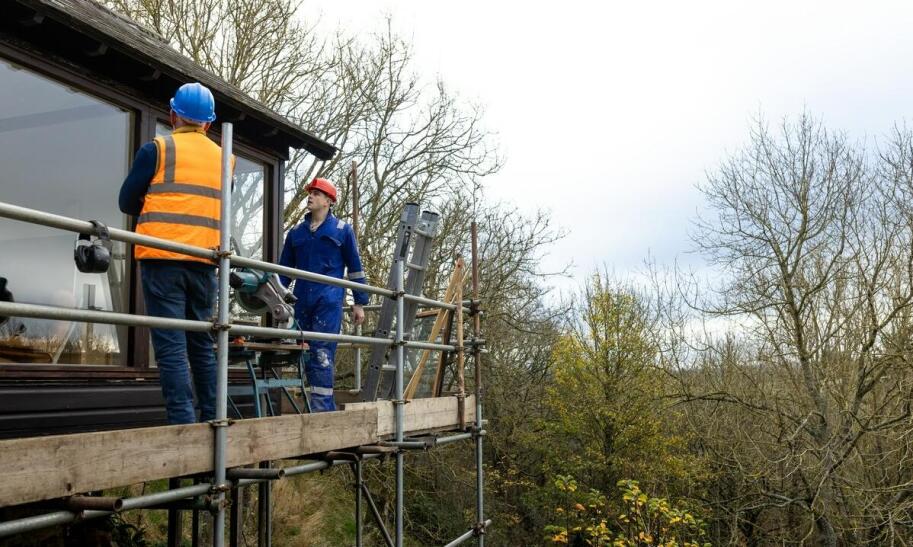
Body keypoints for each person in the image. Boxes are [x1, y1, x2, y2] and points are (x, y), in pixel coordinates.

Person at [118, 82, 233, 424]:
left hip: (162, 259)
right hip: (205, 262)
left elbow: (126, 202)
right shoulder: (225, 159)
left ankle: (183, 425)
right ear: (208, 123)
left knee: (171, 348)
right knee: (202, 346)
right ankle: (214, 421)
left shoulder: (157, 149)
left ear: (173, 115)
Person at [279, 178, 368, 412]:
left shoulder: (342, 230)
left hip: (328, 300)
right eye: (310, 193)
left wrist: (359, 302)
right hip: (301, 300)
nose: (310, 196)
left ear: (329, 201)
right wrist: (276, 296)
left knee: (322, 352)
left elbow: (355, 267)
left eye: (317, 193)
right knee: (304, 352)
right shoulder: (296, 233)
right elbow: (283, 271)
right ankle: (312, 408)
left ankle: (323, 411)